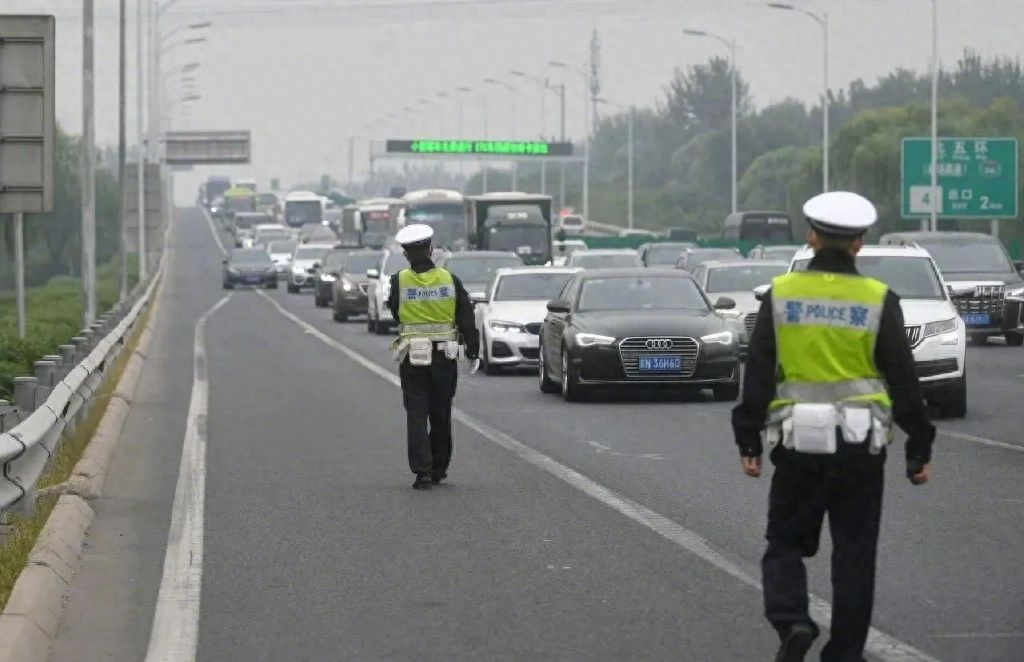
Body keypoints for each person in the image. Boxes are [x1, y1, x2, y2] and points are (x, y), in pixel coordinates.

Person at [731, 191, 936, 662]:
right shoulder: (878, 299)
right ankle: (843, 653)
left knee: (784, 542)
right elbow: (905, 381)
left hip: (799, 446)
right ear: (859, 243)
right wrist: (919, 448)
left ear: (811, 236)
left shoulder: (781, 294)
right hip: (861, 450)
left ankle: (793, 621)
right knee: (855, 556)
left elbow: (759, 371)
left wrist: (749, 439)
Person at [387, 224, 480, 491]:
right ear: (431, 250)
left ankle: (422, 472)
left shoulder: (399, 281)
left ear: (406, 254)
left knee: (416, 413)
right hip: (444, 357)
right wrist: (473, 351)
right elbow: (466, 318)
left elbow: (395, 312)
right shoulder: (450, 280)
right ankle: (439, 467)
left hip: (412, 359)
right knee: (441, 413)